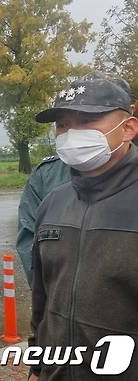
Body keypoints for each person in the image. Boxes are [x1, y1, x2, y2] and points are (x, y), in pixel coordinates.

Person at [29, 71, 138, 380]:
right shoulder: (52, 204)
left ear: (128, 127)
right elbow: (41, 300)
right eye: (63, 124)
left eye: (87, 122)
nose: (71, 134)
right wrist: (37, 366)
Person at [16, 154, 69, 287]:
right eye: (62, 131)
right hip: (59, 303)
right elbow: (29, 240)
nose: (70, 134)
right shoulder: (46, 174)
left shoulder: (130, 177)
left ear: (127, 132)